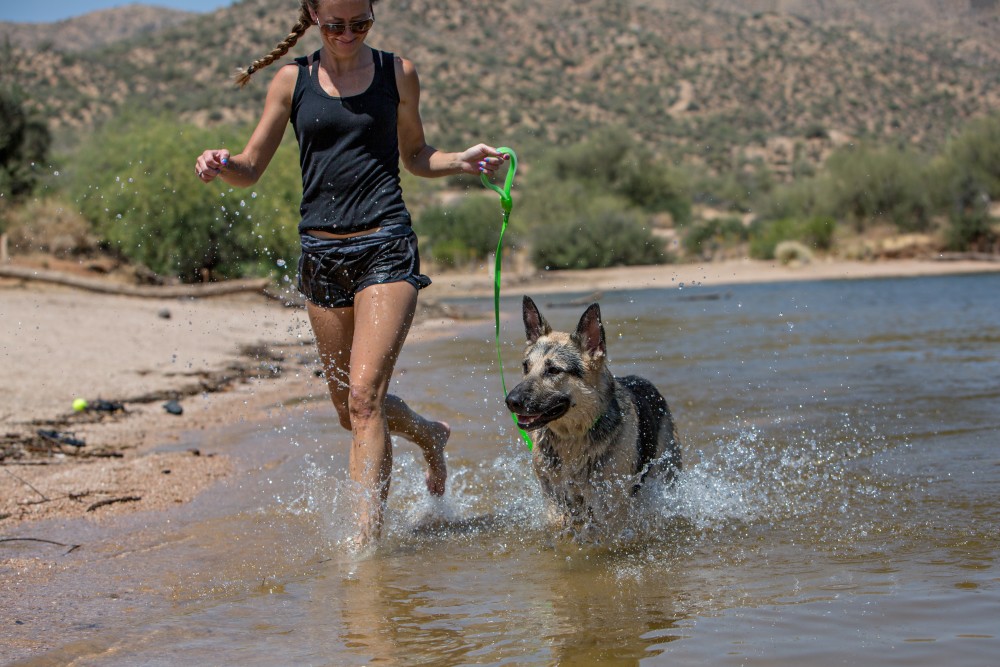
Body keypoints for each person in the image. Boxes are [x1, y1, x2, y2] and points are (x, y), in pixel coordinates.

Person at [194, 0, 508, 545]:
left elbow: (414, 154)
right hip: (320, 254)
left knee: (365, 399)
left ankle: (366, 551)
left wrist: (462, 160)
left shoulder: (397, 73)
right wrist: (222, 165)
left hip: (385, 245)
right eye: (334, 24)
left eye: (359, 23)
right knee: (350, 409)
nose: (346, 34)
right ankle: (429, 434)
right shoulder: (292, 82)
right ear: (313, 14)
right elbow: (250, 169)